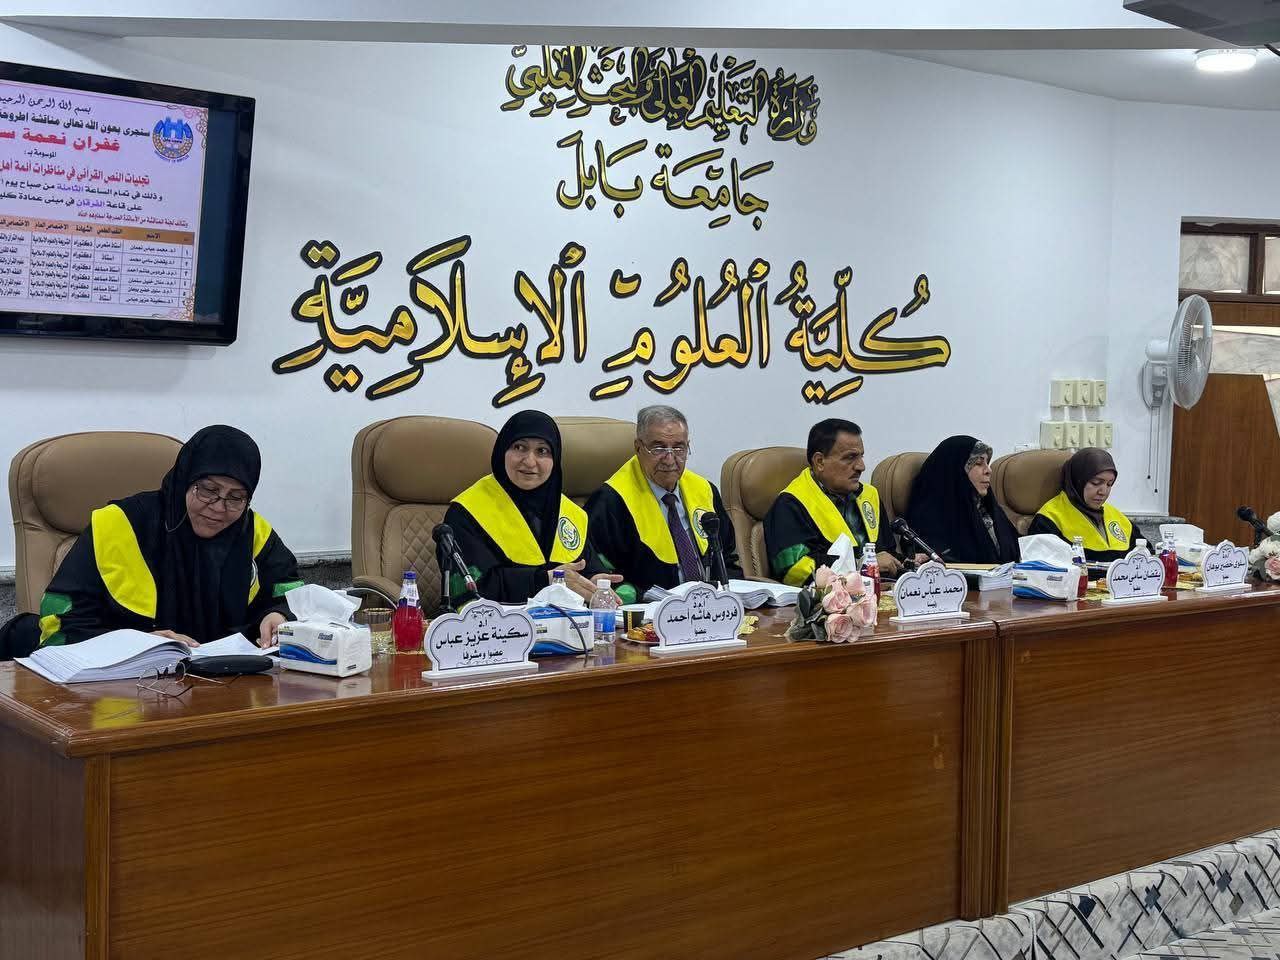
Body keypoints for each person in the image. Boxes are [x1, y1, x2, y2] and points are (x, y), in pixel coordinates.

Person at [22, 425, 302, 652]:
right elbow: (59, 622)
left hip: (228, 686)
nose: (219, 507)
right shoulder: (118, 524)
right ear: (185, 480)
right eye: (208, 490)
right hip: (125, 688)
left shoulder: (252, 531)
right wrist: (138, 643)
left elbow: (292, 593)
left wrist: (279, 616)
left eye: (236, 497)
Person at [444, 410, 618, 605]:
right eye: (520, 447)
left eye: (542, 451)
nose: (529, 461)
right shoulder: (466, 512)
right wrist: (546, 581)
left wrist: (593, 581)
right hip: (499, 621)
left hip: (566, 620)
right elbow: (471, 589)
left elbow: (586, 568)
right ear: (502, 451)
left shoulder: (570, 513)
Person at [586, 404, 742, 602]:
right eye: (658, 448)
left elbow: (727, 559)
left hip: (711, 607)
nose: (669, 459)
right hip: (648, 610)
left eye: (678, 448)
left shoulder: (705, 491)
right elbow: (602, 576)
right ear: (638, 448)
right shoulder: (610, 502)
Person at [764, 418, 922, 585]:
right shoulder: (791, 504)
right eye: (850, 457)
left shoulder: (869, 496)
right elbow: (794, 571)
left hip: (881, 592)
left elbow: (883, 553)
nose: (861, 466)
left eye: (861, 456)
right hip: (827, 598)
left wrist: (906, 562)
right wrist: (862, 565)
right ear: (819, 462)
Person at [905, 435, 1020, 564]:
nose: (989, 470)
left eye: (987, 463)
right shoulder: (929, 520)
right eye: (978, 463)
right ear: (956, 470)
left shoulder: (988, 509)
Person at [1028, 448, 1133, 562]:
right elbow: (1043, 566)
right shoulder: (1048, 519)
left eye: (1109, 484)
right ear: (1077, 480)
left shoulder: (1118, 517)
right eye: (1096, 483)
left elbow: (1143, 555)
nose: (1103, 492)